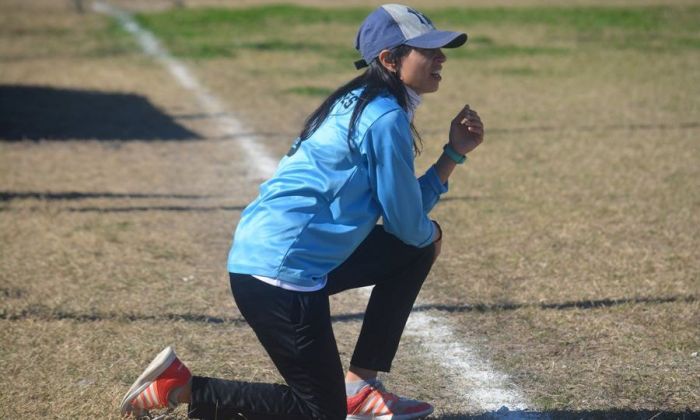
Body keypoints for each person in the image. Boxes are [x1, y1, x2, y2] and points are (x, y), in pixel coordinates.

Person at [120, 4, 484, 419]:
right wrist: (428, 229)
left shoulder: (361, 99)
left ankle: (360, 387)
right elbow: (406, 224)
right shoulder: (384, 118)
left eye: (440, 49)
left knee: (419, 245)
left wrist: (452, 155)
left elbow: (407, 226)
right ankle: (180, 387)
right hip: (279, 277)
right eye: (428, 50)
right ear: (389, 59)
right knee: (321, 413)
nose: (441, 58)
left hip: (283, 261)